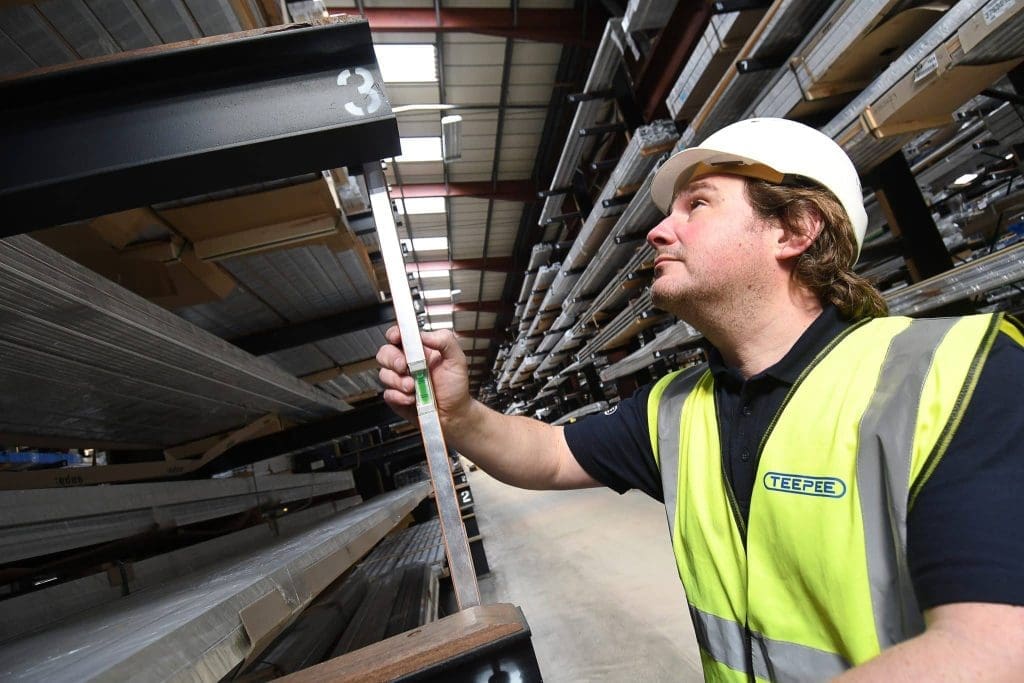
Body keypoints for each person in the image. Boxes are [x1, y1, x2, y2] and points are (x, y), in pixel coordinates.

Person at [377, 118, 1024, 681]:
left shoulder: (956, 374)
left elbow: (995, 648)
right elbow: (547, 454)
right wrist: (458, 412)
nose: (660, 231)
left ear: (794, 229)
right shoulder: (679, 407)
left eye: (698, 205)